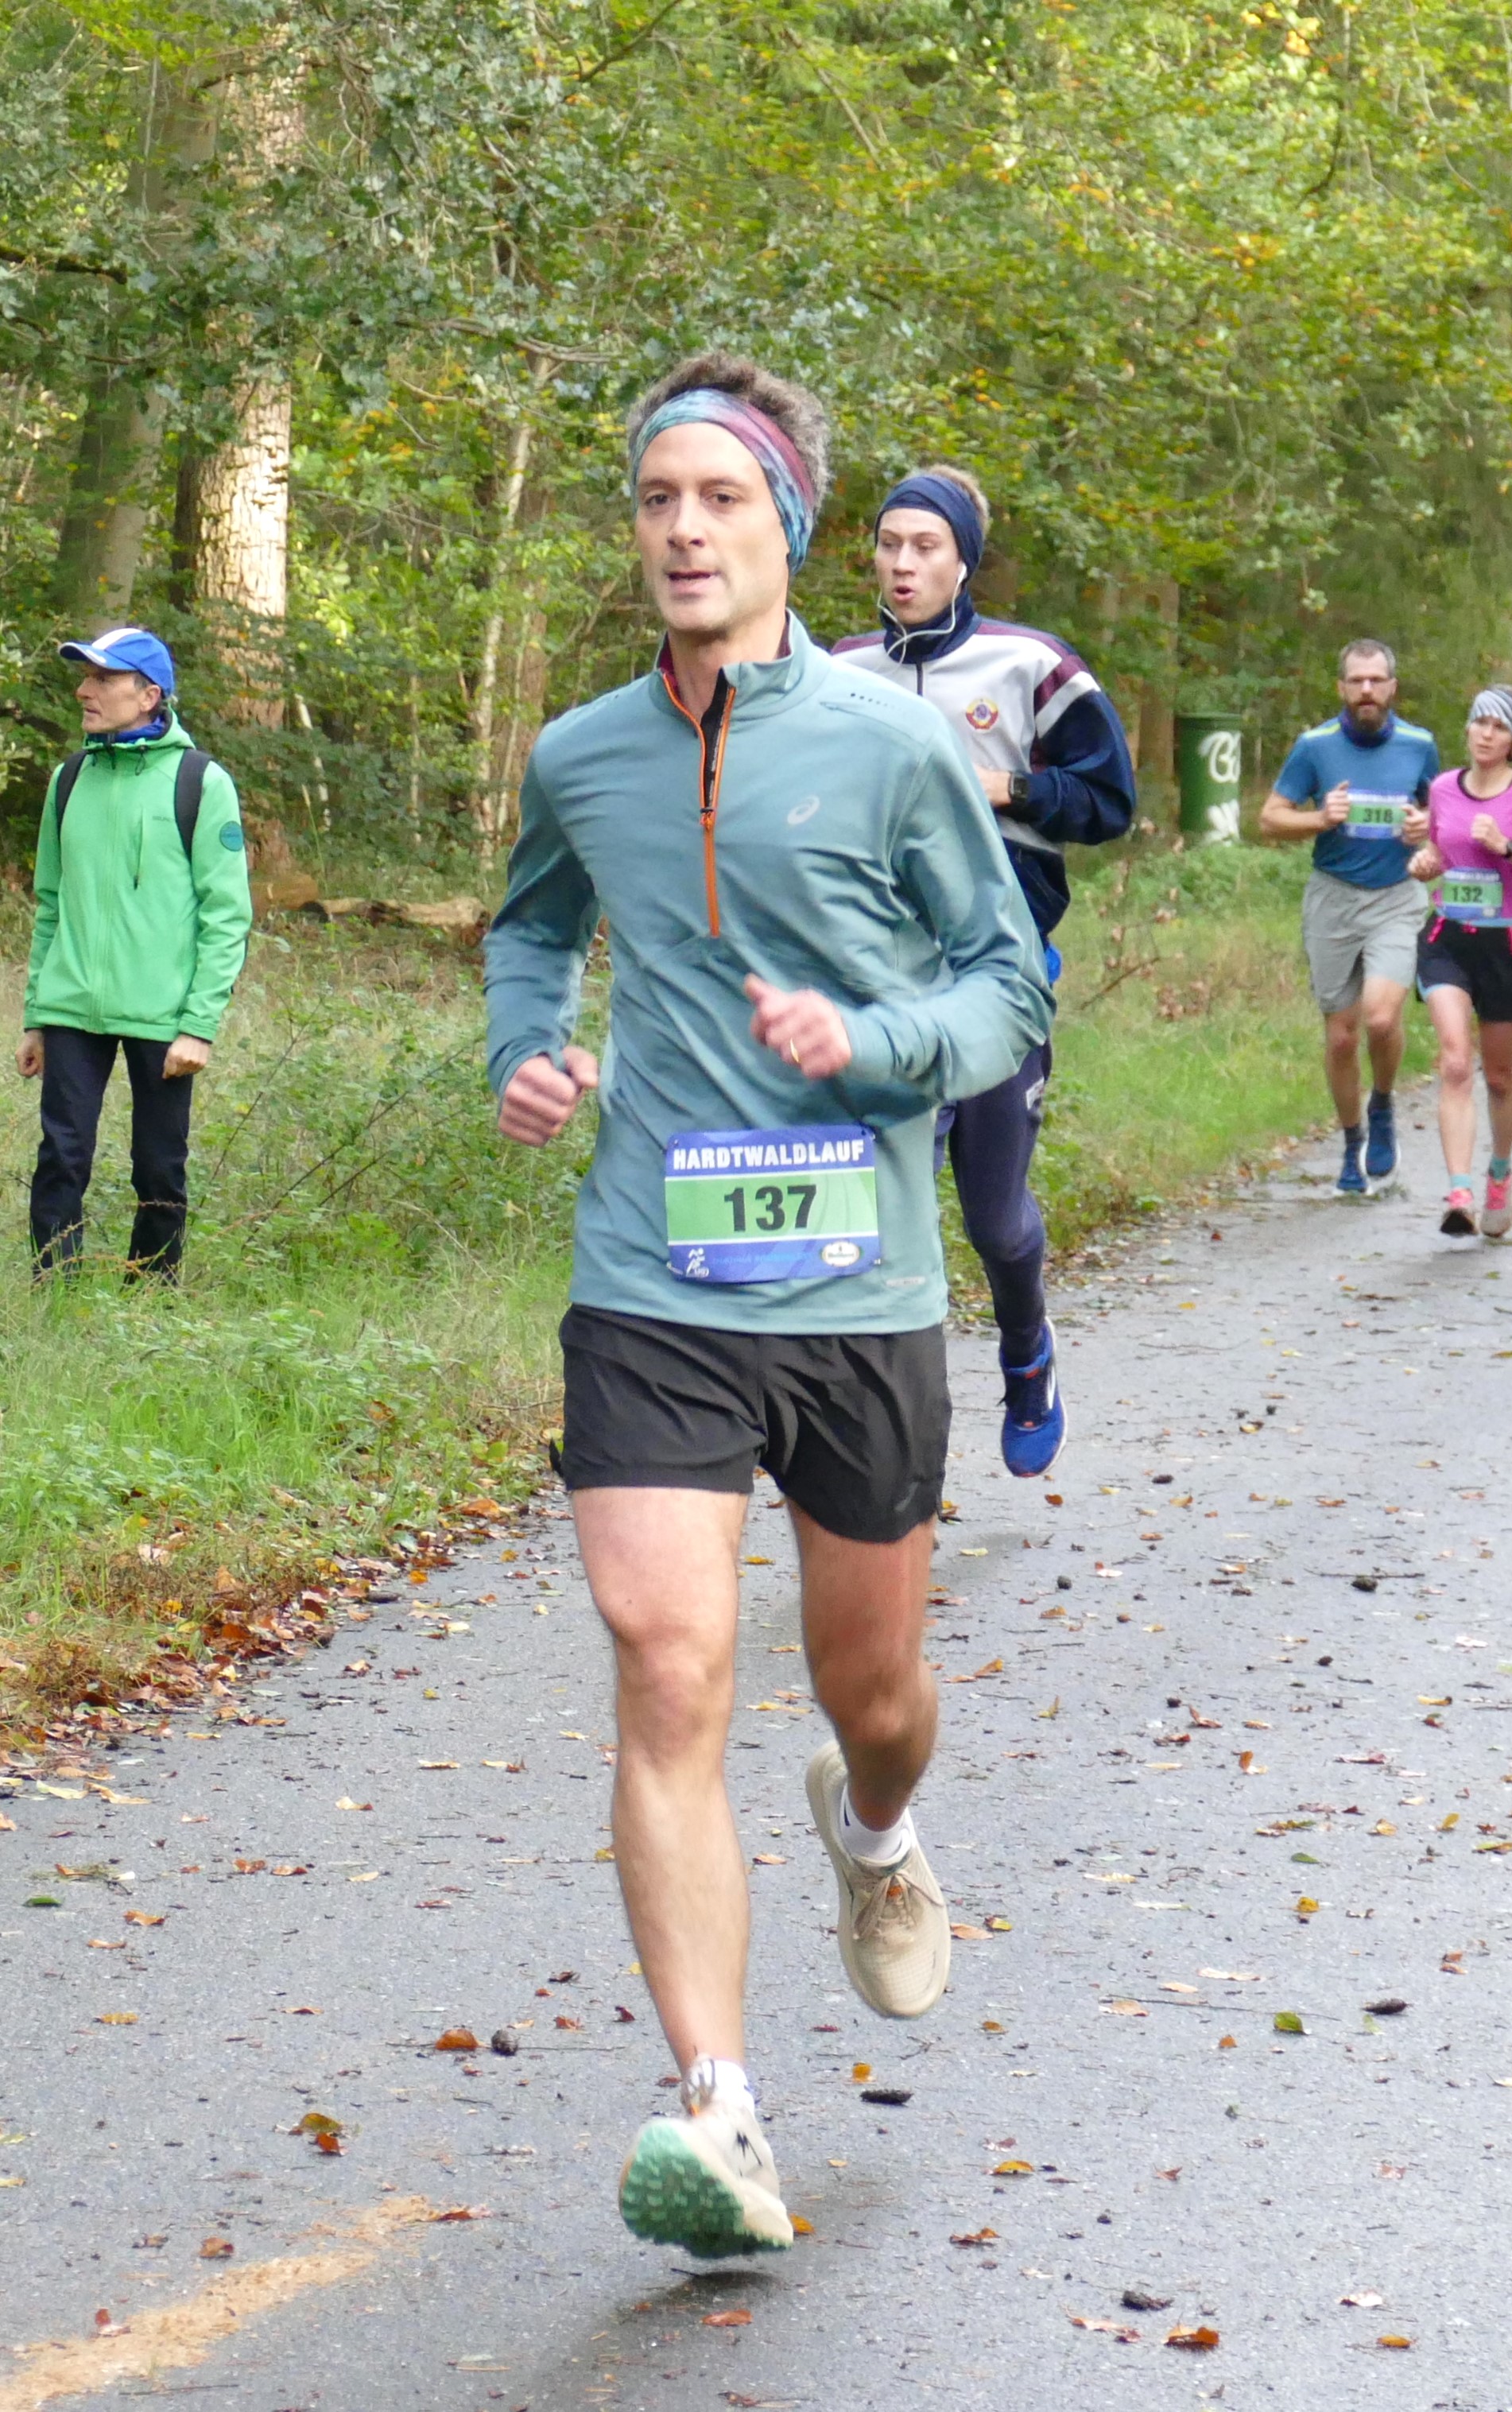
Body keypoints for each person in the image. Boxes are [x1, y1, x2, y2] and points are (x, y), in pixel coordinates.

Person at [484, 353, 1050, 2259]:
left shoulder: (896, 746)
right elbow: (533, 926)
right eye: (655, 498)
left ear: (785, 525)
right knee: (666, 1661)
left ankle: (874, 1825)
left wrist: (874, 1042)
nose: (680, 529)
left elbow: (1004, 985)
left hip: (856, 1284)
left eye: (719, 497)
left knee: (871, 1693)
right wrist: (525, 1046)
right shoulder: (581, 753)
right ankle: (718, 2108)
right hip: (652, 1275)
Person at [831, 467, 1134, 1476]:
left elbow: (1110, 802)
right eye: (889, 543)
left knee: (997, 1223)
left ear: (963, 560)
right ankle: (886, 1423)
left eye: (925, 546)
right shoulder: (837, 671)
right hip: (881, 988)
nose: (903, 563)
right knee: (889, 1209)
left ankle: (1027, 1355)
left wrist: (1008, 787)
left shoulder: (1031, 665)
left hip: (998, 981)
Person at [17, 626, 251, 1278]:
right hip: (71, 1006)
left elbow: (227, 916)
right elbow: (50, 903)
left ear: (149, 696)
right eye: (85, 677)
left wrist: (198, 1025)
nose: (83, 691)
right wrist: (37, 1014)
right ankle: (55, 1289)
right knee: (61, 1156)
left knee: (158, 1165)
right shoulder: (69, 780)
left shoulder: (200, 782)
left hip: (163, 1012)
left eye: (103, 678)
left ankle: (151, 1293)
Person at [1259, 640, 1438, 1195]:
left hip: (1396, 895)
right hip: (1333, 898)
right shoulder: (1314, 746)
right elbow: (1269, 819)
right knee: (1340, 1038)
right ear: (1340, 687)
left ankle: (1382, 1105)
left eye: (1376, 681)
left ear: (1392, 687)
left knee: (1381, 1020)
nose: (1366, 690)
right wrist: (1320, 818)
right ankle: (1351, 1141)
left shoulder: (1419, 745)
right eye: (1356, 681)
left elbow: (1443, 814)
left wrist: (1425, 827)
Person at [1408, 685, 1512, 1237]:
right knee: (1455, 1061)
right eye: (1480, 722)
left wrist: (1507, 848)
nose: (1485, 734)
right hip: (1447, 941)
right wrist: (1426, 863)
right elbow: (1439, 852)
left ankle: (1499, 1173)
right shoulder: (1442, 788)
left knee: (1498, 1076)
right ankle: (1459, 1194)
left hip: (1506, 947)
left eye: (1499, 727)